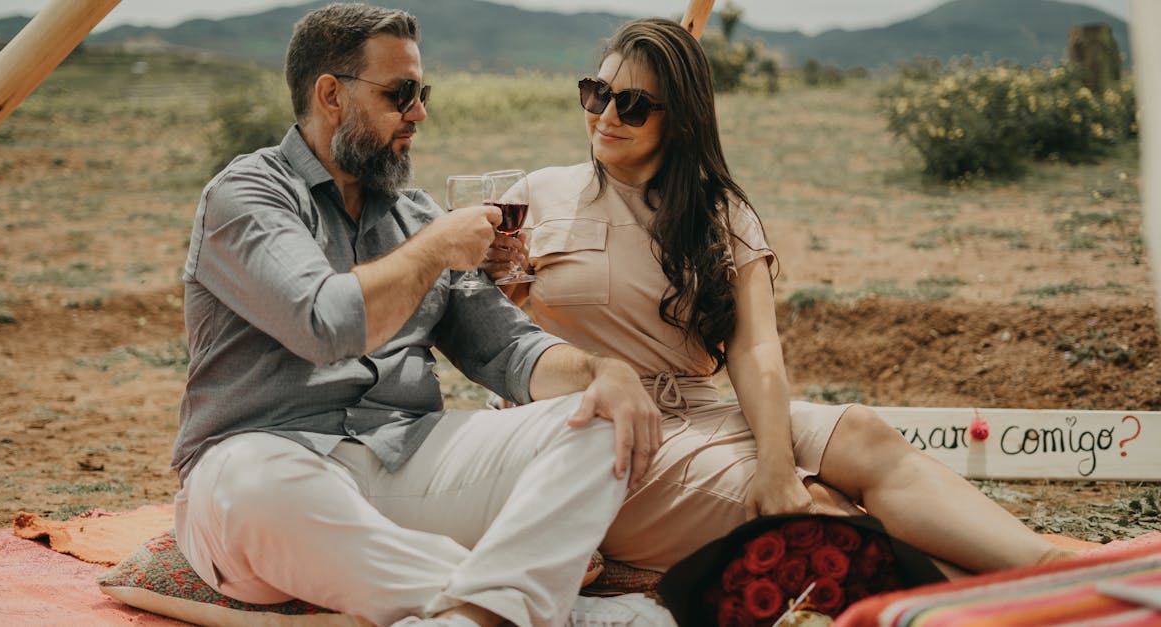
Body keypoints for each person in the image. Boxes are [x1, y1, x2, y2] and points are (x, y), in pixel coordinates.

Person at [486, 17, 1074, 576]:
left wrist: (774, 459)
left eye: (633, 104)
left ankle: (1058, 568)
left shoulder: (719, 213)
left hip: (703, 410)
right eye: (597, 93)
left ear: (681, 120)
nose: (606, 115)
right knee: (812, 507)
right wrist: (494, 282)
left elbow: (756, 350)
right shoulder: (538, 194)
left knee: (862, 433)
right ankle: (986, 596)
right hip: (601, 432)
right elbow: (487, 329)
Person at [170, 5, 663, 627]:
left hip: (407, 457)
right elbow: (325, 325)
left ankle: (473, 613)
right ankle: (551, 612)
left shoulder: (416, 215)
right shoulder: (248, 196)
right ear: (330, 96)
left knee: (593, 421)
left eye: (421, 93)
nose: (420, 113)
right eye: (401, 94)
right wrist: (436, 249)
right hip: (274, 458)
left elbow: (507, 351)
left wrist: (601, 372)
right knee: (253, 487)